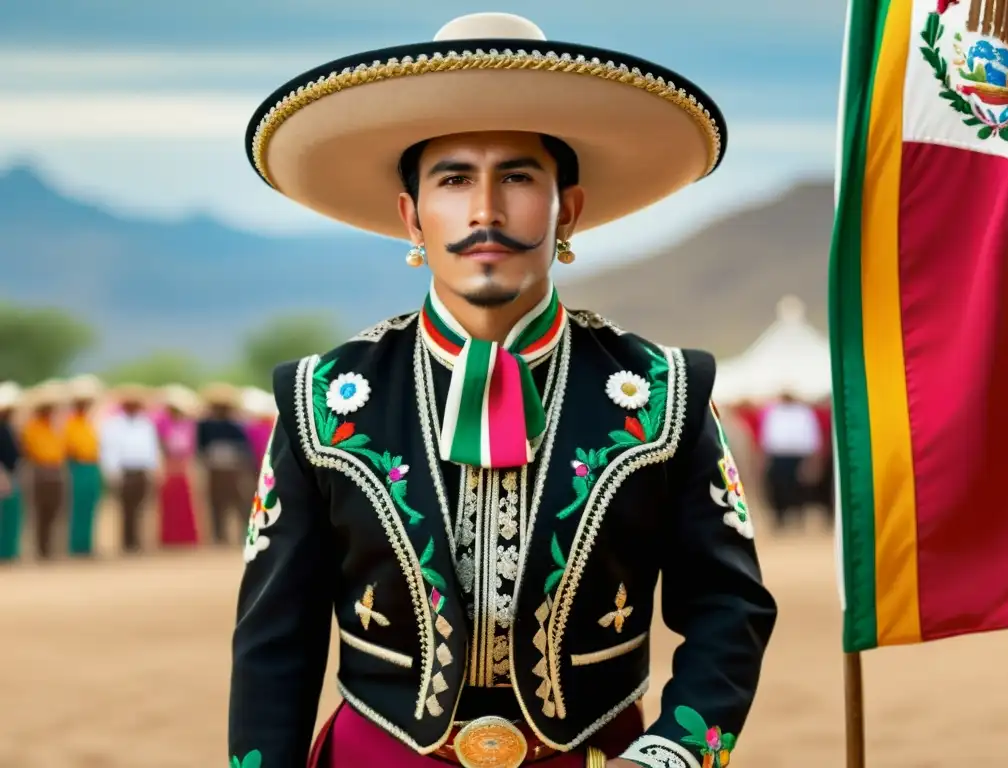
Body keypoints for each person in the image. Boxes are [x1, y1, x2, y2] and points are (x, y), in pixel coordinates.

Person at [228, 13, 777, 768]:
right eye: (453, 179)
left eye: (518, 176)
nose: (485, 209)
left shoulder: (665, 391)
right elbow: (273, 644)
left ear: (567, 209)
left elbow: (730, 608)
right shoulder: (324, 396)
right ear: (411, 215)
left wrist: (673, 756)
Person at [100, 384, 161, 553]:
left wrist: (153, 468)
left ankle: (137, 541)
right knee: (126, 508)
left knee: (140, 508)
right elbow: (110, 449)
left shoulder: (145, 424)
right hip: (124, 471)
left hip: (141, 470)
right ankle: (126, 542)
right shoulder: (114, 424)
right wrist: (112, 472)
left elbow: (151, 448)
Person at [197, 383, 253, 545]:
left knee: (238, 501)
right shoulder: (205, 425)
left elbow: (244, 447)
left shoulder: (236, 425)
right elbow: (201, 447)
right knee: (216, 502)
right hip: (214, 468)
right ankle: (219, 535)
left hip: (232, 468)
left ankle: (242, 533)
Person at [757, 391, 822, 530]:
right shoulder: (774, 412)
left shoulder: (803, 412)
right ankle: (779, 517)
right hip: (779, 454)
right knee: (778, 487)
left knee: (798, 487)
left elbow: (811, 434)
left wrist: (812, 457)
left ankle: (798, 516)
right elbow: (768, 435)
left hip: (798, 454)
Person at [19, 381, 67, 560]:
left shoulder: (55, 428)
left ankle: (50, 547)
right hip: (39, 471)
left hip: (55, 470)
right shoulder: (31, 428)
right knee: (40, 510)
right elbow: (31, 450)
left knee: (55, 510)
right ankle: (41, 549)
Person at [64, 374, 105, 557]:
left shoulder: (89, 423)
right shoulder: (69, 424)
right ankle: (76, 546)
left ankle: (87, 544)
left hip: (92, 466)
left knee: (90, 507)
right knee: (77, 507)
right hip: (77, 466)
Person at [155, 384, 201, 548]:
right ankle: (169, 537)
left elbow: (190, 448)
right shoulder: (162, 424)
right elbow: (160, 445)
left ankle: (185, 536)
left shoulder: (188, 425)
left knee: (184, 503)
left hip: (182, 466)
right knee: (169, 504)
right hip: (169, 465)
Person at [0, 382, 24, 562]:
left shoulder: (8, 428)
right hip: (3, 475)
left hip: (11, 473)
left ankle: (8, 551)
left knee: (11, 514)